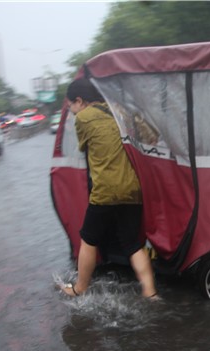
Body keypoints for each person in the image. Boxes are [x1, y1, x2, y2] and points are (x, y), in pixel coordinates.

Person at [59, 78, 157, 299]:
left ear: (80, 101)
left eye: (71, 106)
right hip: (132, 190)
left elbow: (84, 147)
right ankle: (150, 292)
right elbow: (152, 136)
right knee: (133, 244)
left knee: (89, 238)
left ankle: (80, 287)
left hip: (104, 191)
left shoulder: (83, 118)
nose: (72, 111)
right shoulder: (122, 111)